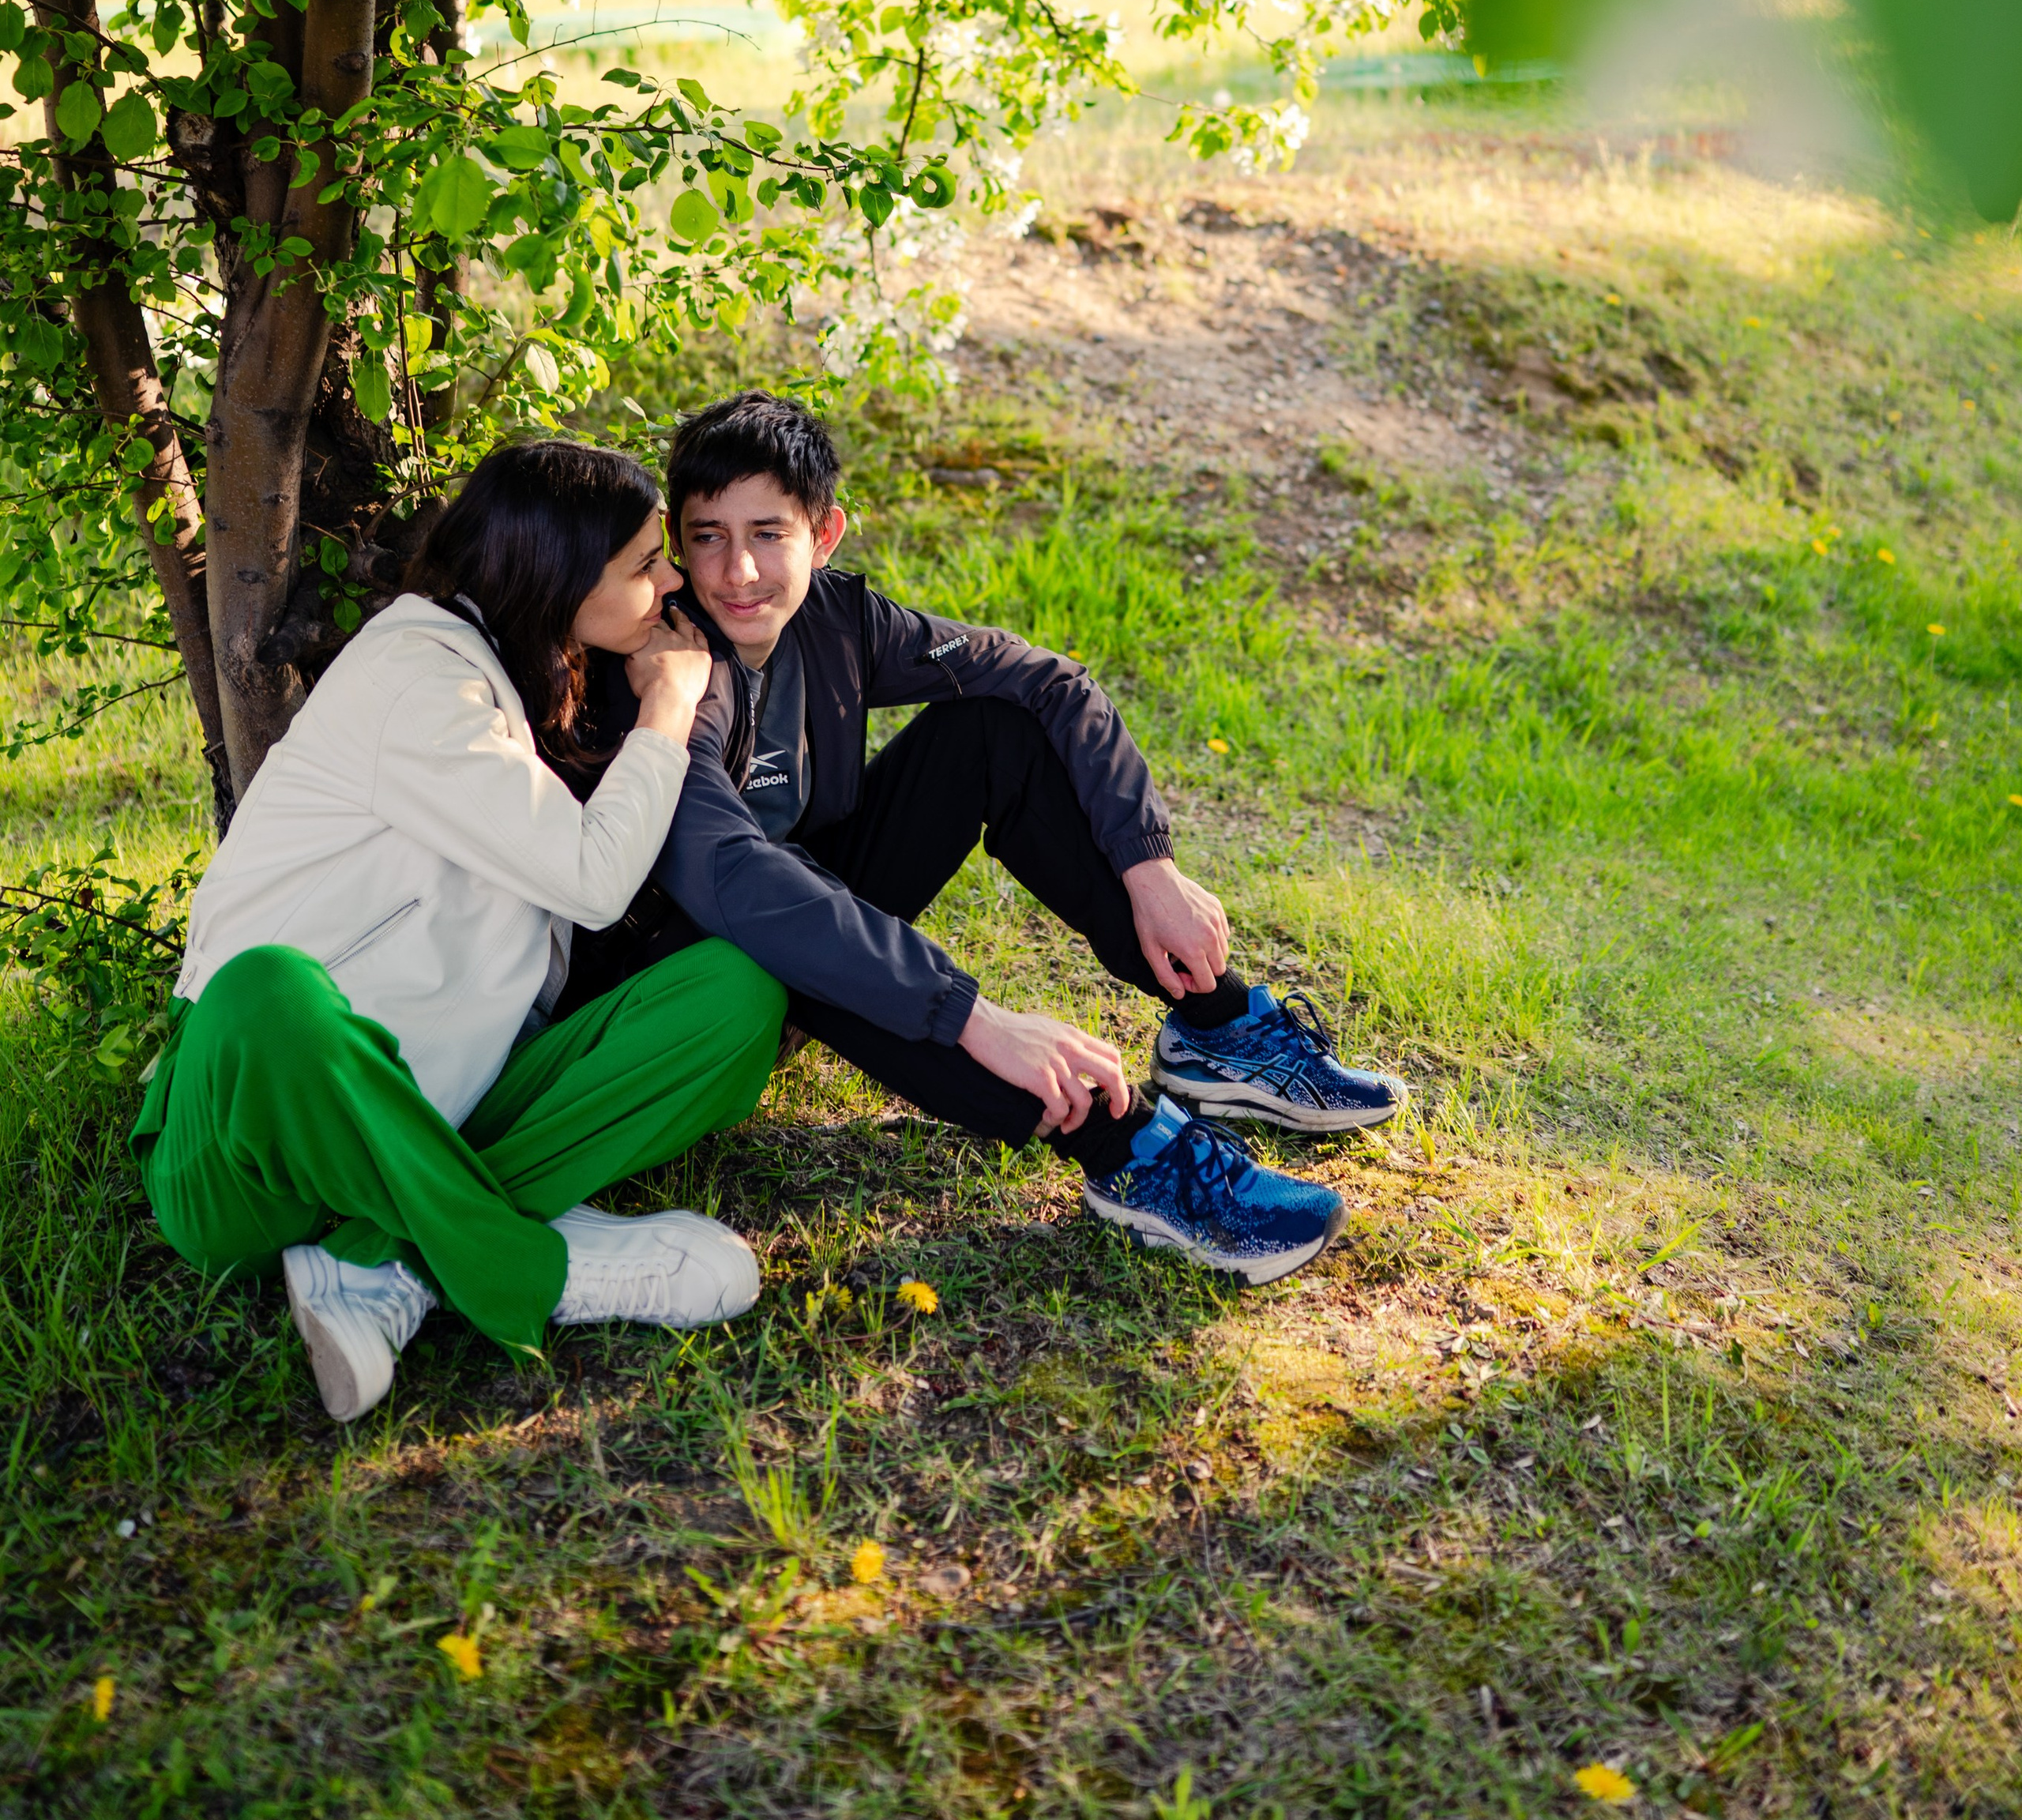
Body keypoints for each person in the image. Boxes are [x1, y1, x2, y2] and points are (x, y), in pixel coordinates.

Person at [560, 391, 1406, 1284]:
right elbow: (736, 879)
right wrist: (971, 1014)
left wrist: (1146, 861)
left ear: (826, 534)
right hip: (681, 993)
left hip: (789, 929)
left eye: (768, 532)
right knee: (797, 916)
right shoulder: (664, 671)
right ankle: (1123, 1145)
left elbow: (1050, 682)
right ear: (677, 540)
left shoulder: (837, 623)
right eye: (705, 536)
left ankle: (1216, 1024)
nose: (737, 570)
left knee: (988, 733)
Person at [131, 442, 786, 1423]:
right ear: (560, 579)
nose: (670, 580)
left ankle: (382, 1261)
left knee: (736, 996)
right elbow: (593, 877)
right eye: (644, 562)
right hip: (252, 1144)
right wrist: (668, 707)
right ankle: (538, 1265)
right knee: (268, 990)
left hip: (440, 1109)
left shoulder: (520, 675)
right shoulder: (419, 678)